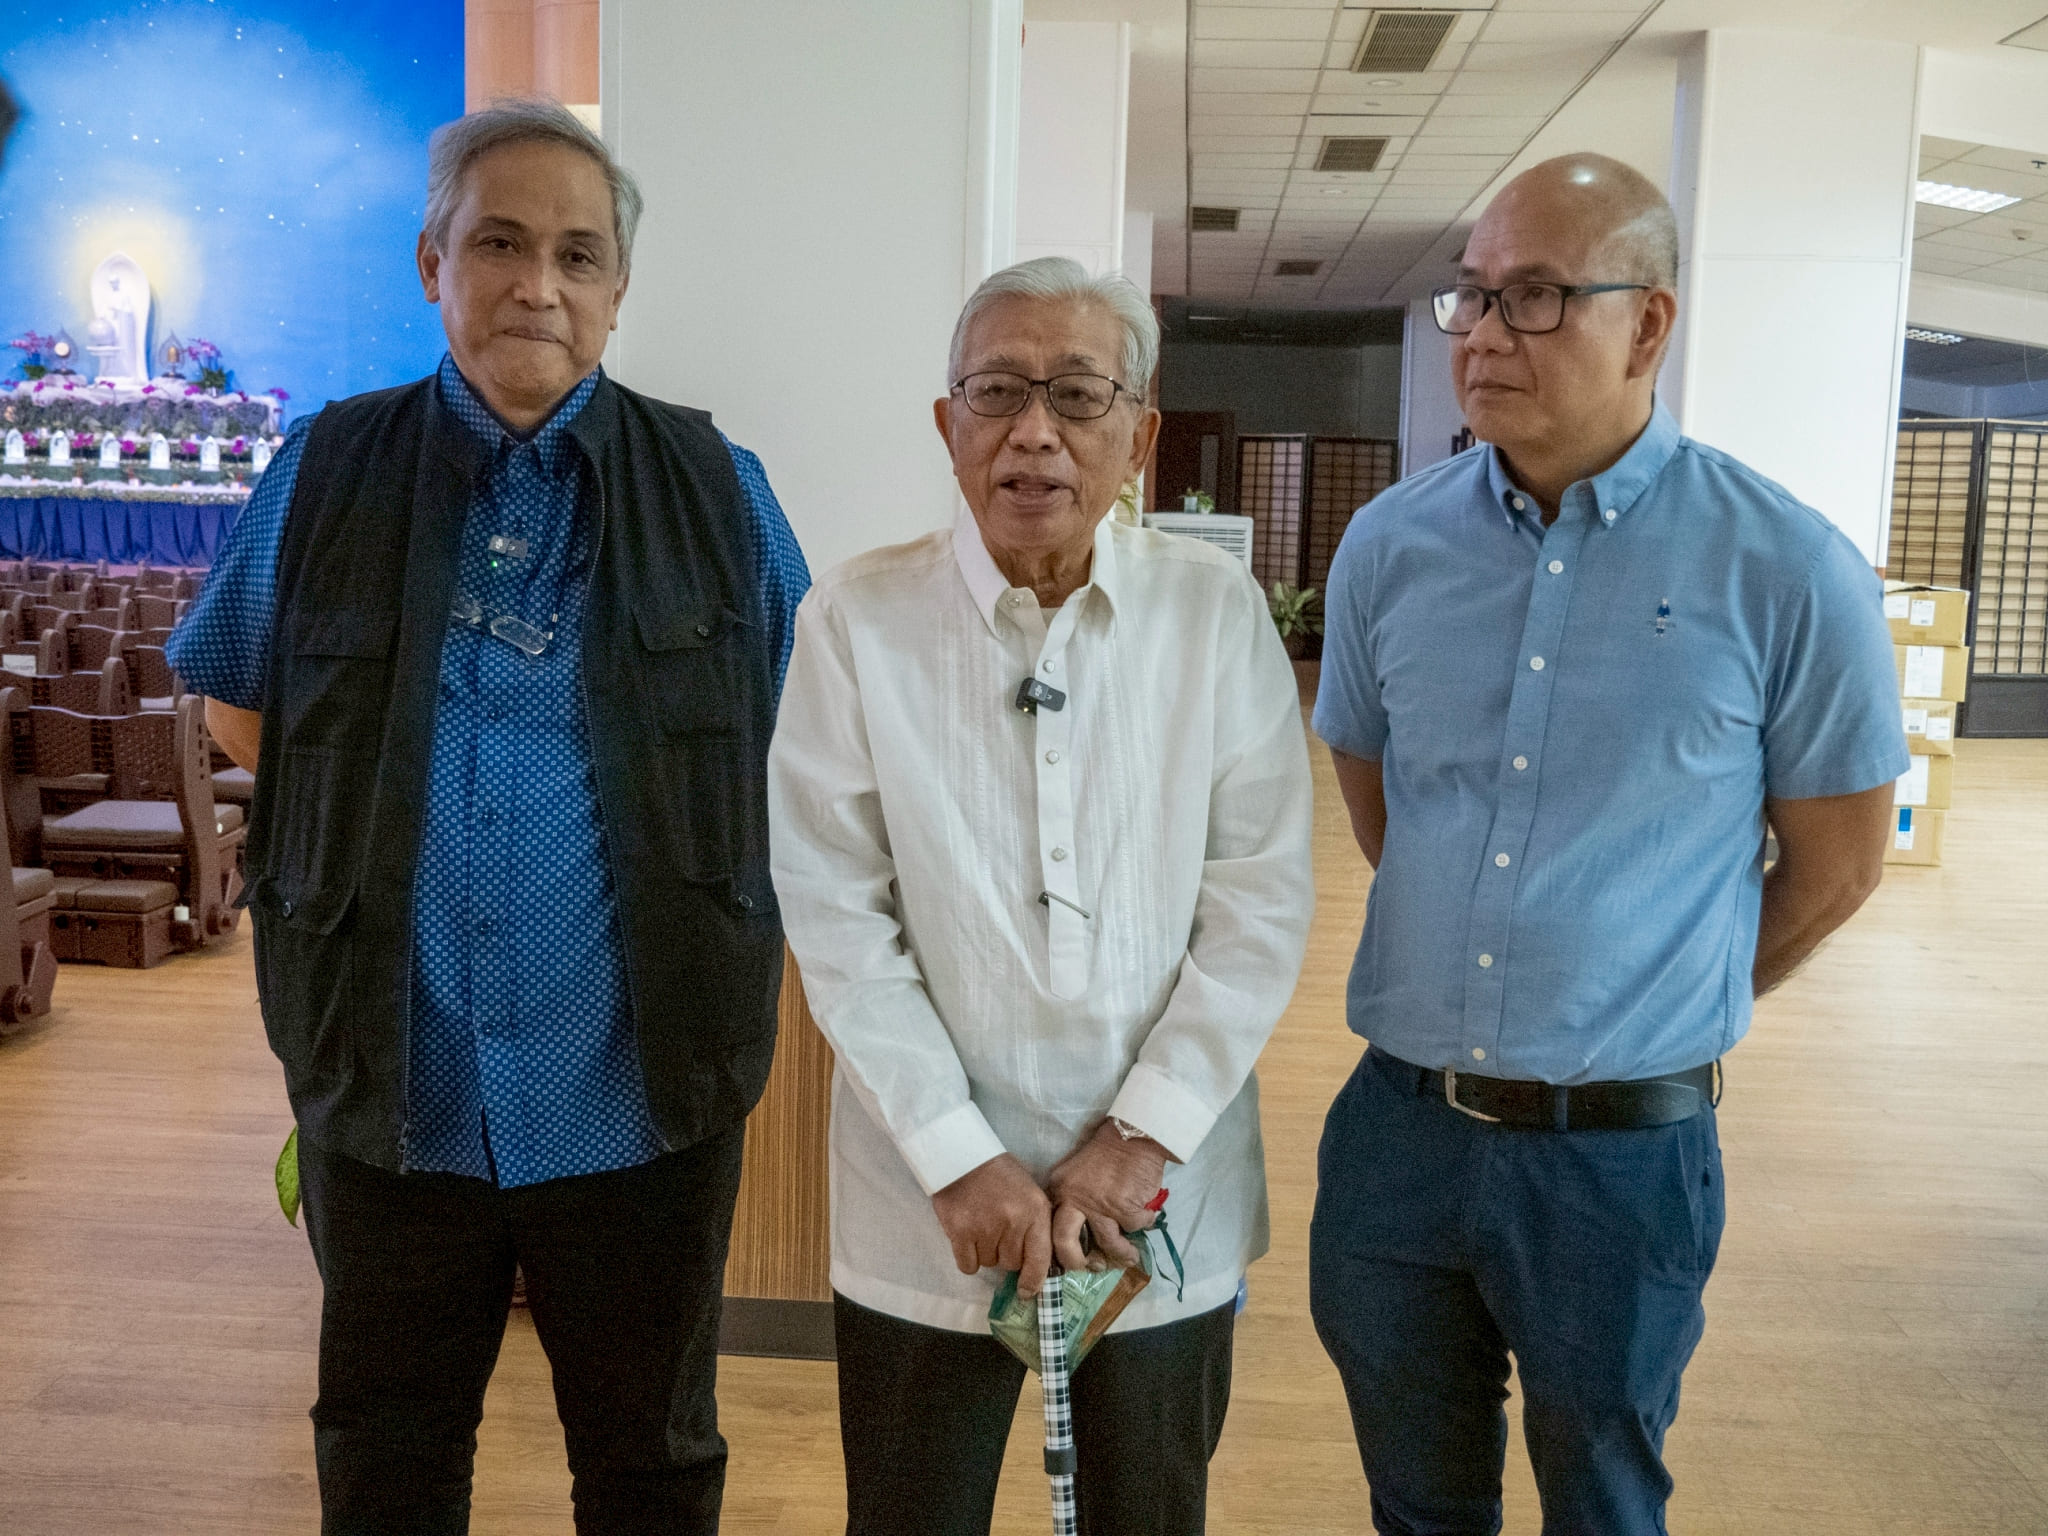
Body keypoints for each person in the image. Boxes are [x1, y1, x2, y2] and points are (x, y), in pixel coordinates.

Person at [167, 99, 809, 1534]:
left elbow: (798, 729)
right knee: (386, 1452)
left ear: (618, 289)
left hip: (642, 1087)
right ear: (433, 264)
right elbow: (240, 704)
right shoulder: (322, 471)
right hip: (393, 1076)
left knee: (650, 1462)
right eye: (500, 244)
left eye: (578, 255)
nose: (538, 286)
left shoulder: (722, 490)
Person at [1308, 152, 1907, 1536]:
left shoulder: (1787, 568)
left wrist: (1651, 1001)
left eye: (1535, 295)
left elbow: (1838, 868)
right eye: (1471, 294)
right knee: (1415, 1503)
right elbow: (1384, 806)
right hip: (1398, 1133)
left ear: (1648, 325)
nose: (1484, 334)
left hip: (1619, 1161)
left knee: (1603, 1503)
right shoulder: (1389, 548)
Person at [767, 255, 1315, 1536]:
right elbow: (836, 913)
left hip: (1160, 1195)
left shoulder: (1211, 613)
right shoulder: (857, 618)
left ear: (1140, 434)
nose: (1032, 432)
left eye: (1076, 394)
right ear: (946, 422)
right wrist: (958, 1157)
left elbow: (1257, 901)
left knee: (1149, 1512)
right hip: (928, 1194)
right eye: (996, 391)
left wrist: (1139, 1140)